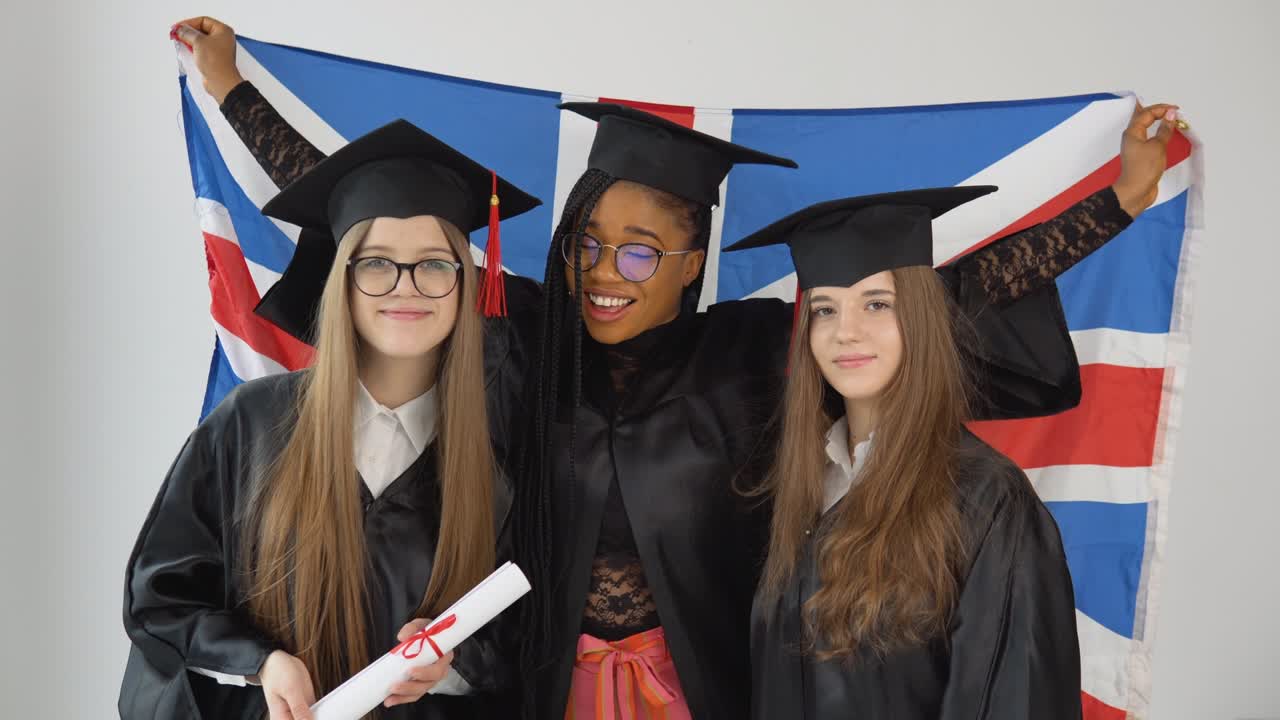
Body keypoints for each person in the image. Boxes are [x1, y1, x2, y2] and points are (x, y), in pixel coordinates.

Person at [171, 17, 1177, 718]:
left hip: (709, 685)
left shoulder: (749, 356)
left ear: (692, 262)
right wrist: (229, 88)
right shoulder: (514, 340)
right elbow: (380, 219)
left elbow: (929, 297)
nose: (610, 273)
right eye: (591, 244)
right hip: (532, 686)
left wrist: (1116, 206)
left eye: (644, 250)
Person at [120, 119, 540, 720]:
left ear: (464, 283)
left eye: (434, 264)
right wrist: (261, 661)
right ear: (341, 280)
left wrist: (453, 666)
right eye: (376, 263)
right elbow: (161, 601)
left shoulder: (499, 451)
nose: (407, 287)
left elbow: (530, 637)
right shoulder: (252, 425)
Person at [733, 187, 1082, 719]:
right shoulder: (805, 483)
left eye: (877, 304)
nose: (845, 331)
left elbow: (1014, 699)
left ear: (921, 318)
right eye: (825, 309)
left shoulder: (986, 498)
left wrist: (1117, 201)